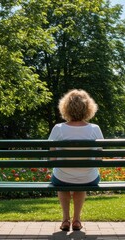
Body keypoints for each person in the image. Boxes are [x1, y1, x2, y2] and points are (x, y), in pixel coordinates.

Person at [48, 89, 104, 231]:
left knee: (61, 176)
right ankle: (77, 220)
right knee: (82, 179)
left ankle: (65, 220)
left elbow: (52, 158)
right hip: (88, 178)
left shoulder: (58, 128)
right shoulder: (95, 128)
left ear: (65, 107)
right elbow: (99, 158)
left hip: (62, 178)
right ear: (89, 108)